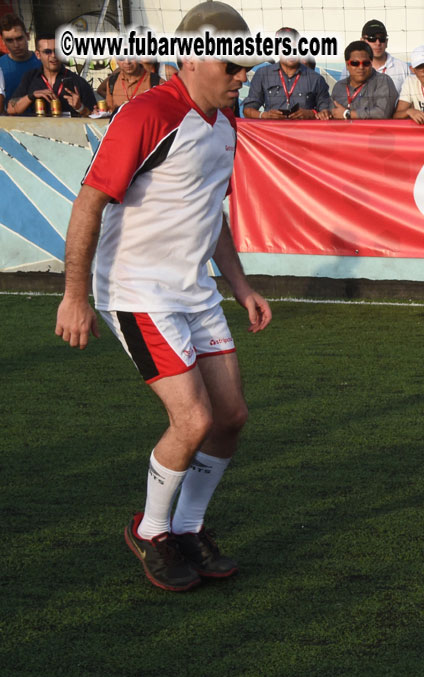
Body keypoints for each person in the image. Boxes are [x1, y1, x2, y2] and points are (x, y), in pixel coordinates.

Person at [55, 0, 272, 591]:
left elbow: (212, 213)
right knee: (194, 417)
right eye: (231, 67)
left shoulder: (226, 125)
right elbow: (89, 202)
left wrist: (241, 285)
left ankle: (189, 526)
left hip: (194, 292)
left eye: (246, 67)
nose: (241, 76)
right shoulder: (146, 114)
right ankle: (151, 531)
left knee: (230, 418)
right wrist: (74, 295)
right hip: (137, 290)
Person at [241, 28, 331, 119]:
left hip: (303, 132)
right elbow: (247, 110)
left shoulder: (316, 78)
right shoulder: (263, 74)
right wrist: (265, 115)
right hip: (272, 131)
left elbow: (328, 111)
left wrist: (312, 113)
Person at [7, 36, 96, 116]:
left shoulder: (77, 82)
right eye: (47, 52)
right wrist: (31, 96)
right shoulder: (30, 78)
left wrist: (80, 108)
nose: (53, 55)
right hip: (38, 132)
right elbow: (11, 109)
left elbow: (95, 116)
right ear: (38, 55)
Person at [331, 40, 398, 119]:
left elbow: (382, 113)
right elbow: (332, 112)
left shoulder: (383, 81)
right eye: (355, 63)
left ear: (371, 63)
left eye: (366, 63)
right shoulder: (339, 86)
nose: (361, 67)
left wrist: (347, 114)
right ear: (347, 65)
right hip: (344, 131)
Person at [361, 19, 408, 94]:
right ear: (362, 41)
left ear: (386, 42)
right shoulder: (353, 67)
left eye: (382, 38)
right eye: (372, 39)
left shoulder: (403, 68)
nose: (378, 43)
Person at [1, 13, 39, 99]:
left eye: (19, 38)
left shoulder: (43, 62)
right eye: (9, 40)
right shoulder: (0, 66)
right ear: (3, 41)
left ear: (28, 36)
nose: (16, 45)